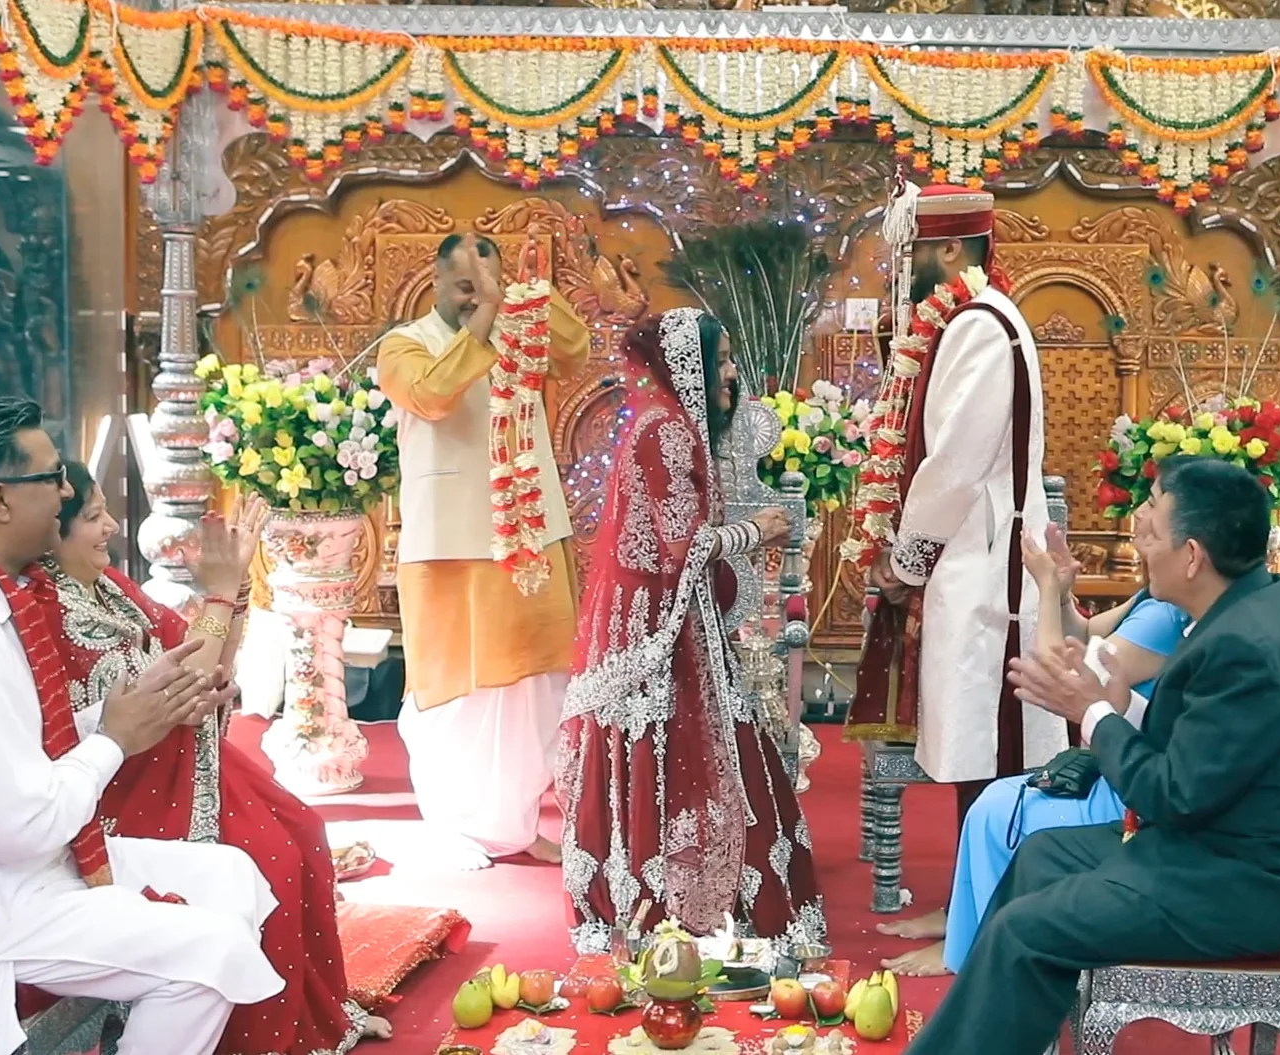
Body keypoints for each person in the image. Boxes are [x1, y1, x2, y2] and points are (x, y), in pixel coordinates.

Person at [0, 398, 284, 1055]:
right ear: (0, 499)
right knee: (213, 954)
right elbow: (17, 827)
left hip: (7, 870)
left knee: (232, 875)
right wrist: (113, 739)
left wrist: (121, 710)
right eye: (52, 479)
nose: (67, 492)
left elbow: (11, 744)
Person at [906, 457, 1280, 1055]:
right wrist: (1120, 708)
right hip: (1213, 848)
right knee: (1042, 855)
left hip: (1246, 886)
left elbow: (1172, 795)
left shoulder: (1244, 645)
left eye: (1152, 524)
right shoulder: (1243, 608)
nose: (1139, 537)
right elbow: (1210, 751)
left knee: (1025, 931)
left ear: (1192, 556)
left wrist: (1094, 713)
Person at [42, 462, 376, 1053]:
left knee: (303, 830)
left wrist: (235, 590)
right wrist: (220, 594)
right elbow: (175, 694)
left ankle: (315, 1019)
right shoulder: (52, 608)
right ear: (52, 530)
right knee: (271, 857)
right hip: (122, 789)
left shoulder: (109, 586)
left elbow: (204, 658)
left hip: (183, 764)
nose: (112, 527)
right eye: (93, 517)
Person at [557, 309, 827, 954]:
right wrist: (758, 531)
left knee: (696, 745)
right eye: (722, 359)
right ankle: (674, 900)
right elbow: (685, 548)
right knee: (686, 745)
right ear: (691, 367)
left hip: (671, 612)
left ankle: (680, 890)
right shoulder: (670, 431)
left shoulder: (668, 423)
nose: (731, 372)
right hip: (659, 622)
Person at [845, 183, 1056, 930]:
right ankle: (971, 905)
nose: (904, 273)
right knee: (976, 743)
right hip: (972, 557)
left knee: (993, 743)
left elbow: (954, 467)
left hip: (987, 565)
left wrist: (904, 561)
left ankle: (988, 917)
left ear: (951, 249)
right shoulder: (975, 319)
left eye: (913, 256)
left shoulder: (978, 325)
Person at [880, 523, 1192, 977]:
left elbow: (1061, 673)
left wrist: (1045, 587)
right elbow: (1087, 632)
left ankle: (969, 949)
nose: (1139, 517)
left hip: (1130, 784)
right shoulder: (1153, 599)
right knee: (994, 803)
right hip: (1121, 764)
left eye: (1153, 507)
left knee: (998, 811)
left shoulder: (1165, 614)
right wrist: (1063, 595)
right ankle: (964, 928)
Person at [378, 233, 592, 869]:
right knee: (454, 691)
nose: (477, 298)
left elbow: (574, 350)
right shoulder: (405, 344)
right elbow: (431, 395)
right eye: (466, 287)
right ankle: (455, 824)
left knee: (538, 684)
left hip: (529, 535)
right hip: (446, 545)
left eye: (488, 286)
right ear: (437, 282)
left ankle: (517, 824)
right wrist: (488, 316)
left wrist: (531, 294)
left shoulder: (520, 331)